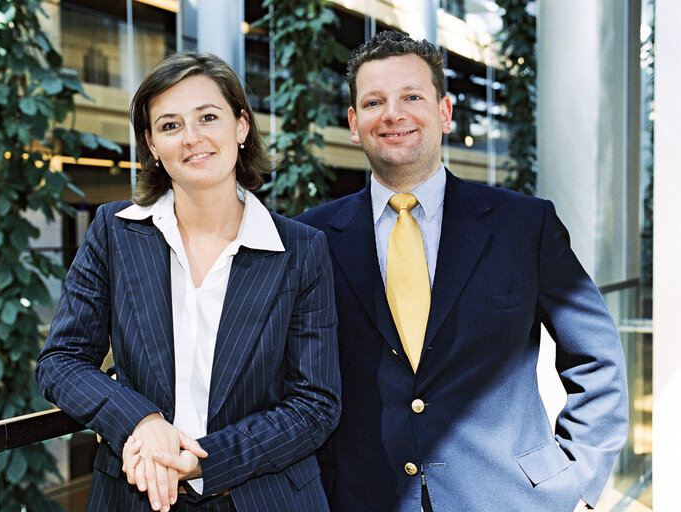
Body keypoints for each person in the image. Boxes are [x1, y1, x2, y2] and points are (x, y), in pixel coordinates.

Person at [296, 31, 628, 512]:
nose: (393, 114)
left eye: (412, 96)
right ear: (353, 122)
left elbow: (597, 359)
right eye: (374, 102)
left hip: (511, 499)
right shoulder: (312, 238)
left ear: (445, 112)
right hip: (360, 497)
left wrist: (580, 481)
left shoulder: (524, 225)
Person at [35, 52, 341, 512]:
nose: (192, 138)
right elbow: (61, 360)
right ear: (152, 145)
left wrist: (201, 461)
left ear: (241, 127)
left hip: (264, 496)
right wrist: (140, 422)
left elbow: (315, 405)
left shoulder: (300, 250)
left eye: (208, 117)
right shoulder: (114, 232)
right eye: (170, 125)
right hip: (133, 495)